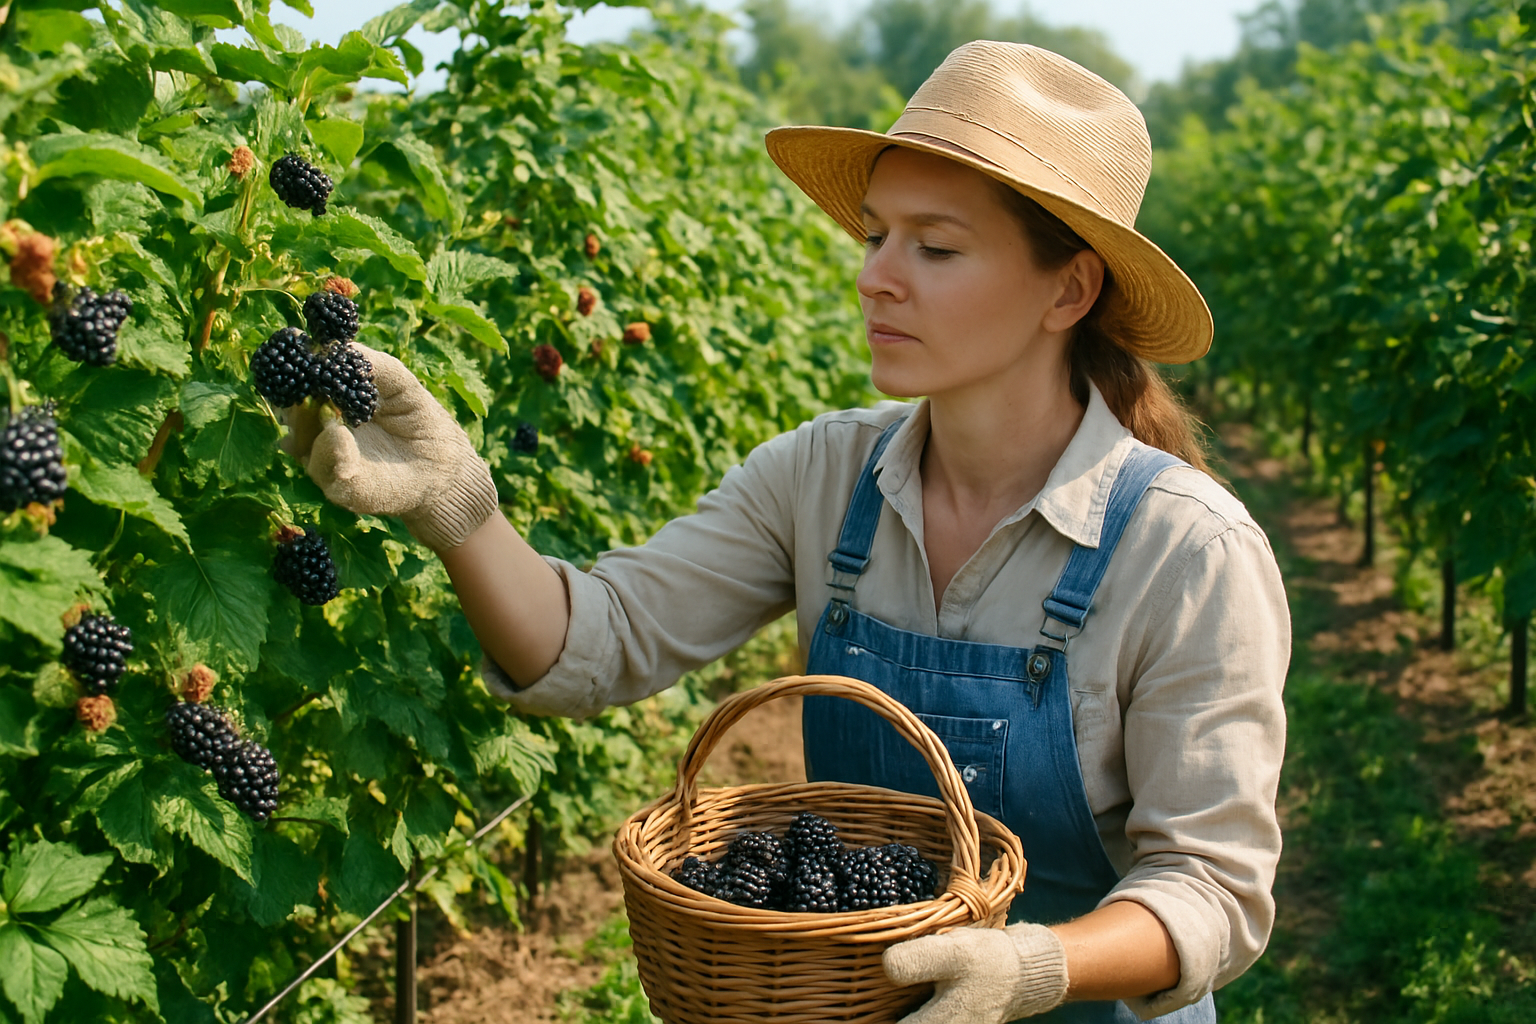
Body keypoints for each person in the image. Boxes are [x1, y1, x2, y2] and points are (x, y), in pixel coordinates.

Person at [281, 40, 1289, 1024]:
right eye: (874, 237)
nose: (878, 277)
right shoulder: (820, 477)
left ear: (1068, 290)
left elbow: (1213, 890)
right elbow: (593, 641)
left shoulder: (1185, 550)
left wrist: (1030, 965)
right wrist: (458, 508)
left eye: (934, 247)